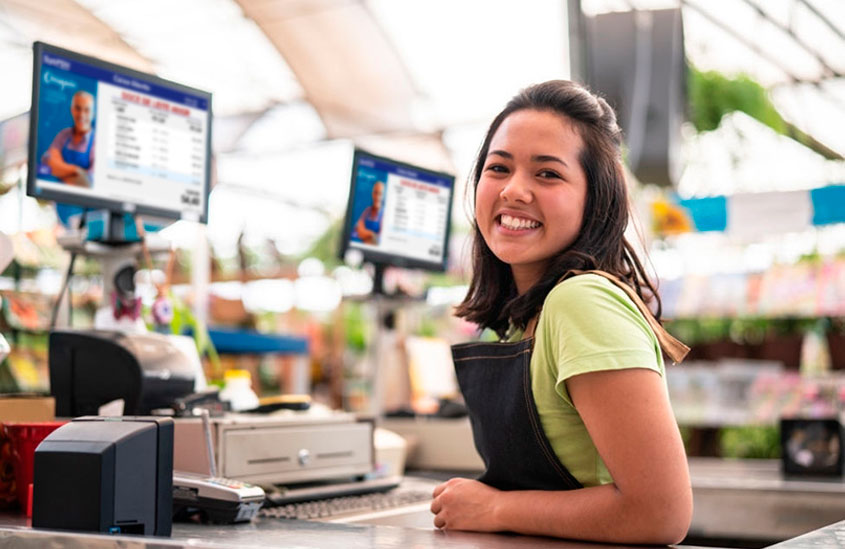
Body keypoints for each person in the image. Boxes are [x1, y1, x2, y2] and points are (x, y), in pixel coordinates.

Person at [430, 80, 693, 544]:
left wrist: (495, 506)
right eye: (498, 168)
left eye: (547, 174)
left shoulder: (581, 301)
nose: (514, 190)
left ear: (595, 199)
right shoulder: (526, 317)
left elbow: (660, 513)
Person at [43, 90, 95, 188]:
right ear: (72, 110)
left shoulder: (97, 143)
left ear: (93, 114)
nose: (81, 115)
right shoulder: (63, 134)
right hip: (57, 201)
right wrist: (76, 171)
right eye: (78, 108)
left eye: (87, 110)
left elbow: (88, 183)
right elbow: (49, 163)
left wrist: (60, 170)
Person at [353, 180, 384, 244]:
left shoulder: (384, 214)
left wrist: (366, 234)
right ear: (372, 194)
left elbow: (380, 240)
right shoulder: (367, 211)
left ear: (383, 196)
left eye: (380, 194)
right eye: (375, 193)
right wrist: (371, 234)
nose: (377, 197)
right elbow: (356, 230)